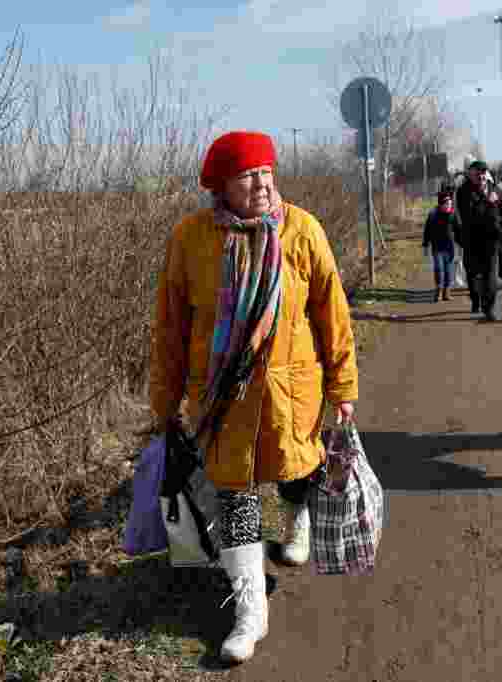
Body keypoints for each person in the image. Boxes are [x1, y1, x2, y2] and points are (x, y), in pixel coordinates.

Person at [149, 131, 359, 664]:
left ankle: (297, 521)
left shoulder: (302, 229)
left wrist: (343, 385)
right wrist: (165, 398)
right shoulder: (191, 238)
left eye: (267, 171)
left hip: (292, 389)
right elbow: (171, 327)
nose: (262, 183)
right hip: (221, 398)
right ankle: (250, 609)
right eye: (247, 175)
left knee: (295, 471)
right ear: (221, 185)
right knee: (235, 496)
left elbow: (331, 312)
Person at [455, 160, 502, 321]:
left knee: (490, 275)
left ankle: (489, 308)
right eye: (477, 172)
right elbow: (470, 216)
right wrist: (489, 203)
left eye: (483, 172)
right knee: (472, 272)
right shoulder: (463, 192)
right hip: (471, 239)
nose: (481, 175)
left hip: (491, 239)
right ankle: (475, 298)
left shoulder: (495, 190)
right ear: (470, 174)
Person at [423, 190, 460, 302]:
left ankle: (446, 292)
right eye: (447, 203)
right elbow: (427, 230)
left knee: (448, 270)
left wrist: (461, 243)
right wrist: (425, 244)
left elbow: (458, 230)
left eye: (450, 203)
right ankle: (438, 289)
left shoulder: (453, 214)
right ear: (441, 204)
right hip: (437, 248)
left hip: (449, 248)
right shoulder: (433, 215)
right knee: (438, 268)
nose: (449, 205)